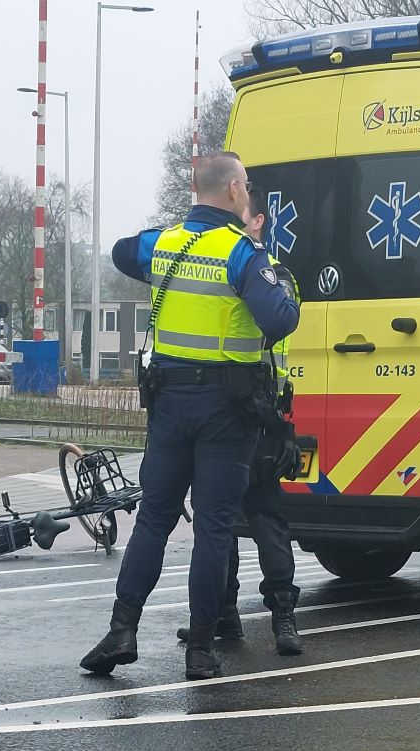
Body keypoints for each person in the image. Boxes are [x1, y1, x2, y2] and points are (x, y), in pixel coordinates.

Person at [80, 151, 300, 681]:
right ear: (231, 192)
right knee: (214, 528)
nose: (247, 192)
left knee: (154, 519)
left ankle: (122, 628)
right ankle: (200, 649)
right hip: (227, 410)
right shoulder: (242, 253)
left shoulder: (166, 244)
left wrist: (178, 230)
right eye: (245, 184)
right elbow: (281, 318)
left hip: (170, 404)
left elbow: (121, 251)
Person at [177, 184, 303, 657]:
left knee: (266, 519)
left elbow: (280, 325)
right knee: (219, 522)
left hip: (263, 415)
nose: (234, 226)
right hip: (224, 412)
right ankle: (221, 615)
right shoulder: (229, 266)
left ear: (258, 223)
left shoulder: (274, 275)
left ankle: (283, 617)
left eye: (242, 218)